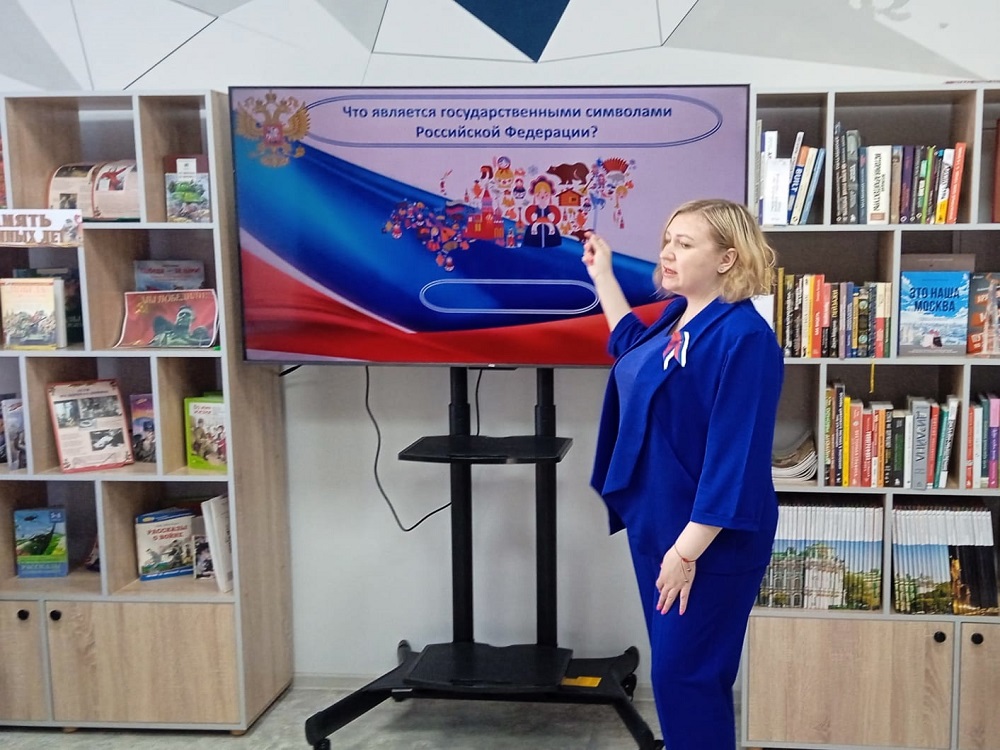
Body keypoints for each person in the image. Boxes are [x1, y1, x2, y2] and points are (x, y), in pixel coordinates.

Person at [581, 198, 784, 750]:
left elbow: (735, 458)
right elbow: (631, 348)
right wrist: (603, 275)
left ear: (727, 259)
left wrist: (686, 552)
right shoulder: (680, 316)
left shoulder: (745, 338)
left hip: (705, 541)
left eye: (685, 244)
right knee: (677, 677)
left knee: (686, 679)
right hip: (659, 526)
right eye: (667, 241)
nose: (667, 253)